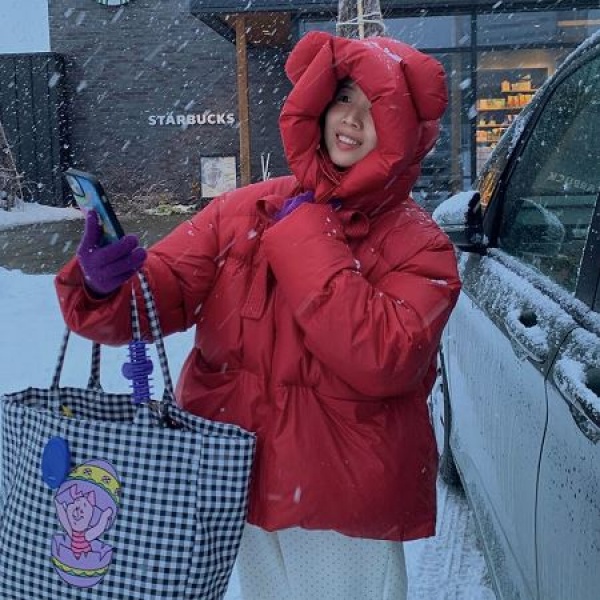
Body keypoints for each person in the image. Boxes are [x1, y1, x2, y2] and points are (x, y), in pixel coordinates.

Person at [56, 31, 461, 600]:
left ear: (403, 132)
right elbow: (166, 287)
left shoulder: (421, 245)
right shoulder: (247, 208)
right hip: (238, 472)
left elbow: (385, 358)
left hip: (339, 496)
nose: (352, 118)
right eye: (345, 97)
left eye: (377, 109)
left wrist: (308, 237)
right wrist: (104, 286)